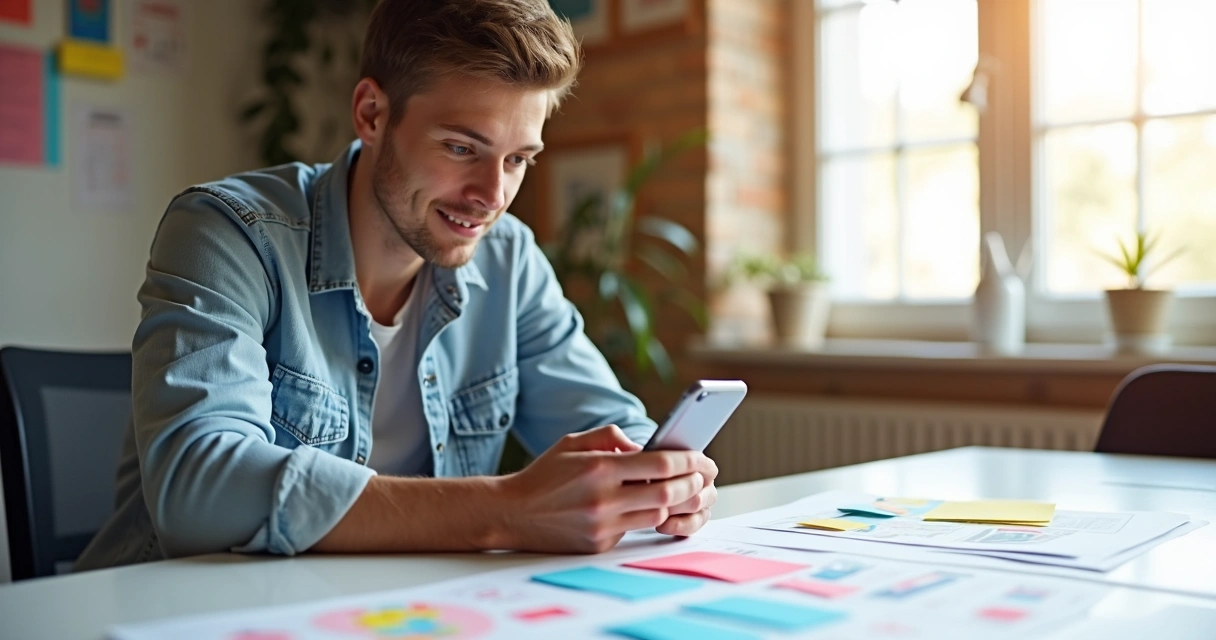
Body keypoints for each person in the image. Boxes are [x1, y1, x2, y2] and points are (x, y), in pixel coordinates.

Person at [75, 0, 717, 570]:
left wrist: (662, 482)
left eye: (518, 159)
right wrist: (505, 509)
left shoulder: (509, 259)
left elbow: (612, 428)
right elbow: (199, 490)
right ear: (372, 113)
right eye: (463, 148)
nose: (493, 196)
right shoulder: (228, 232)